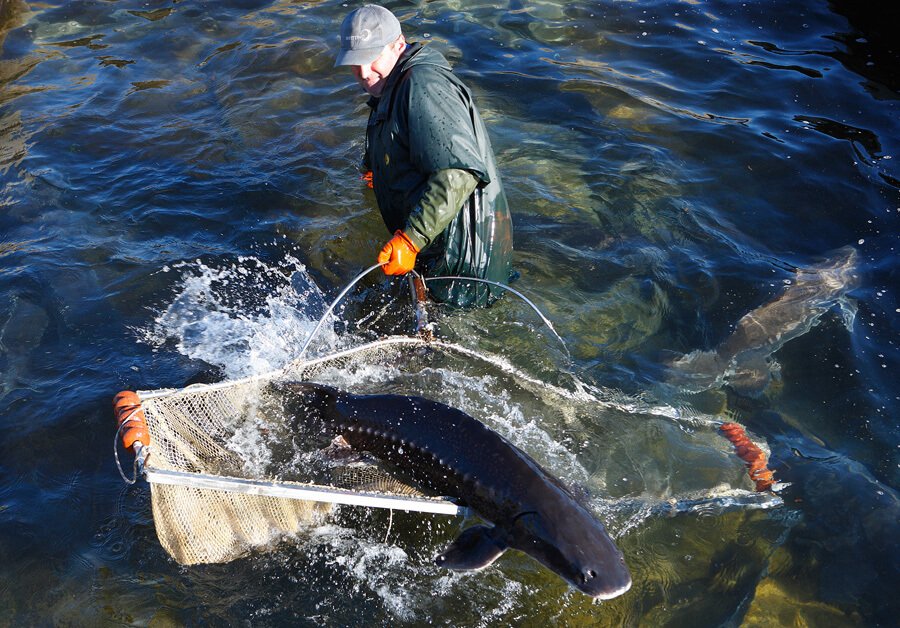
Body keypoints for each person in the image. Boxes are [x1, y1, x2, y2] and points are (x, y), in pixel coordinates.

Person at [335, 4, 513, 308]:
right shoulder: (390, 86)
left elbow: (458, 172)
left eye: (371, 58)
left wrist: (411, 239)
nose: (363, 73)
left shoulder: (423, 85)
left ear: (398, 45)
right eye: (354, 62)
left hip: (463, 266)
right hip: (434, 249)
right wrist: (376, 171)